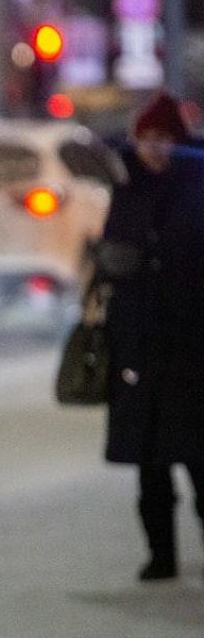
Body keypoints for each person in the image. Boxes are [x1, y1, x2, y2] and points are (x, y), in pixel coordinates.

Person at [94, 91, 204, 581]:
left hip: (192, 343)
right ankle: (161, 555)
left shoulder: (196, 188)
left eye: (165, 140)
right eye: (147, 139)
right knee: (150, 461)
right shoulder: (127, 189)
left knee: (200, 460)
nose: (156, 149)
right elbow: (113, 258)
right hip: (139, 341)